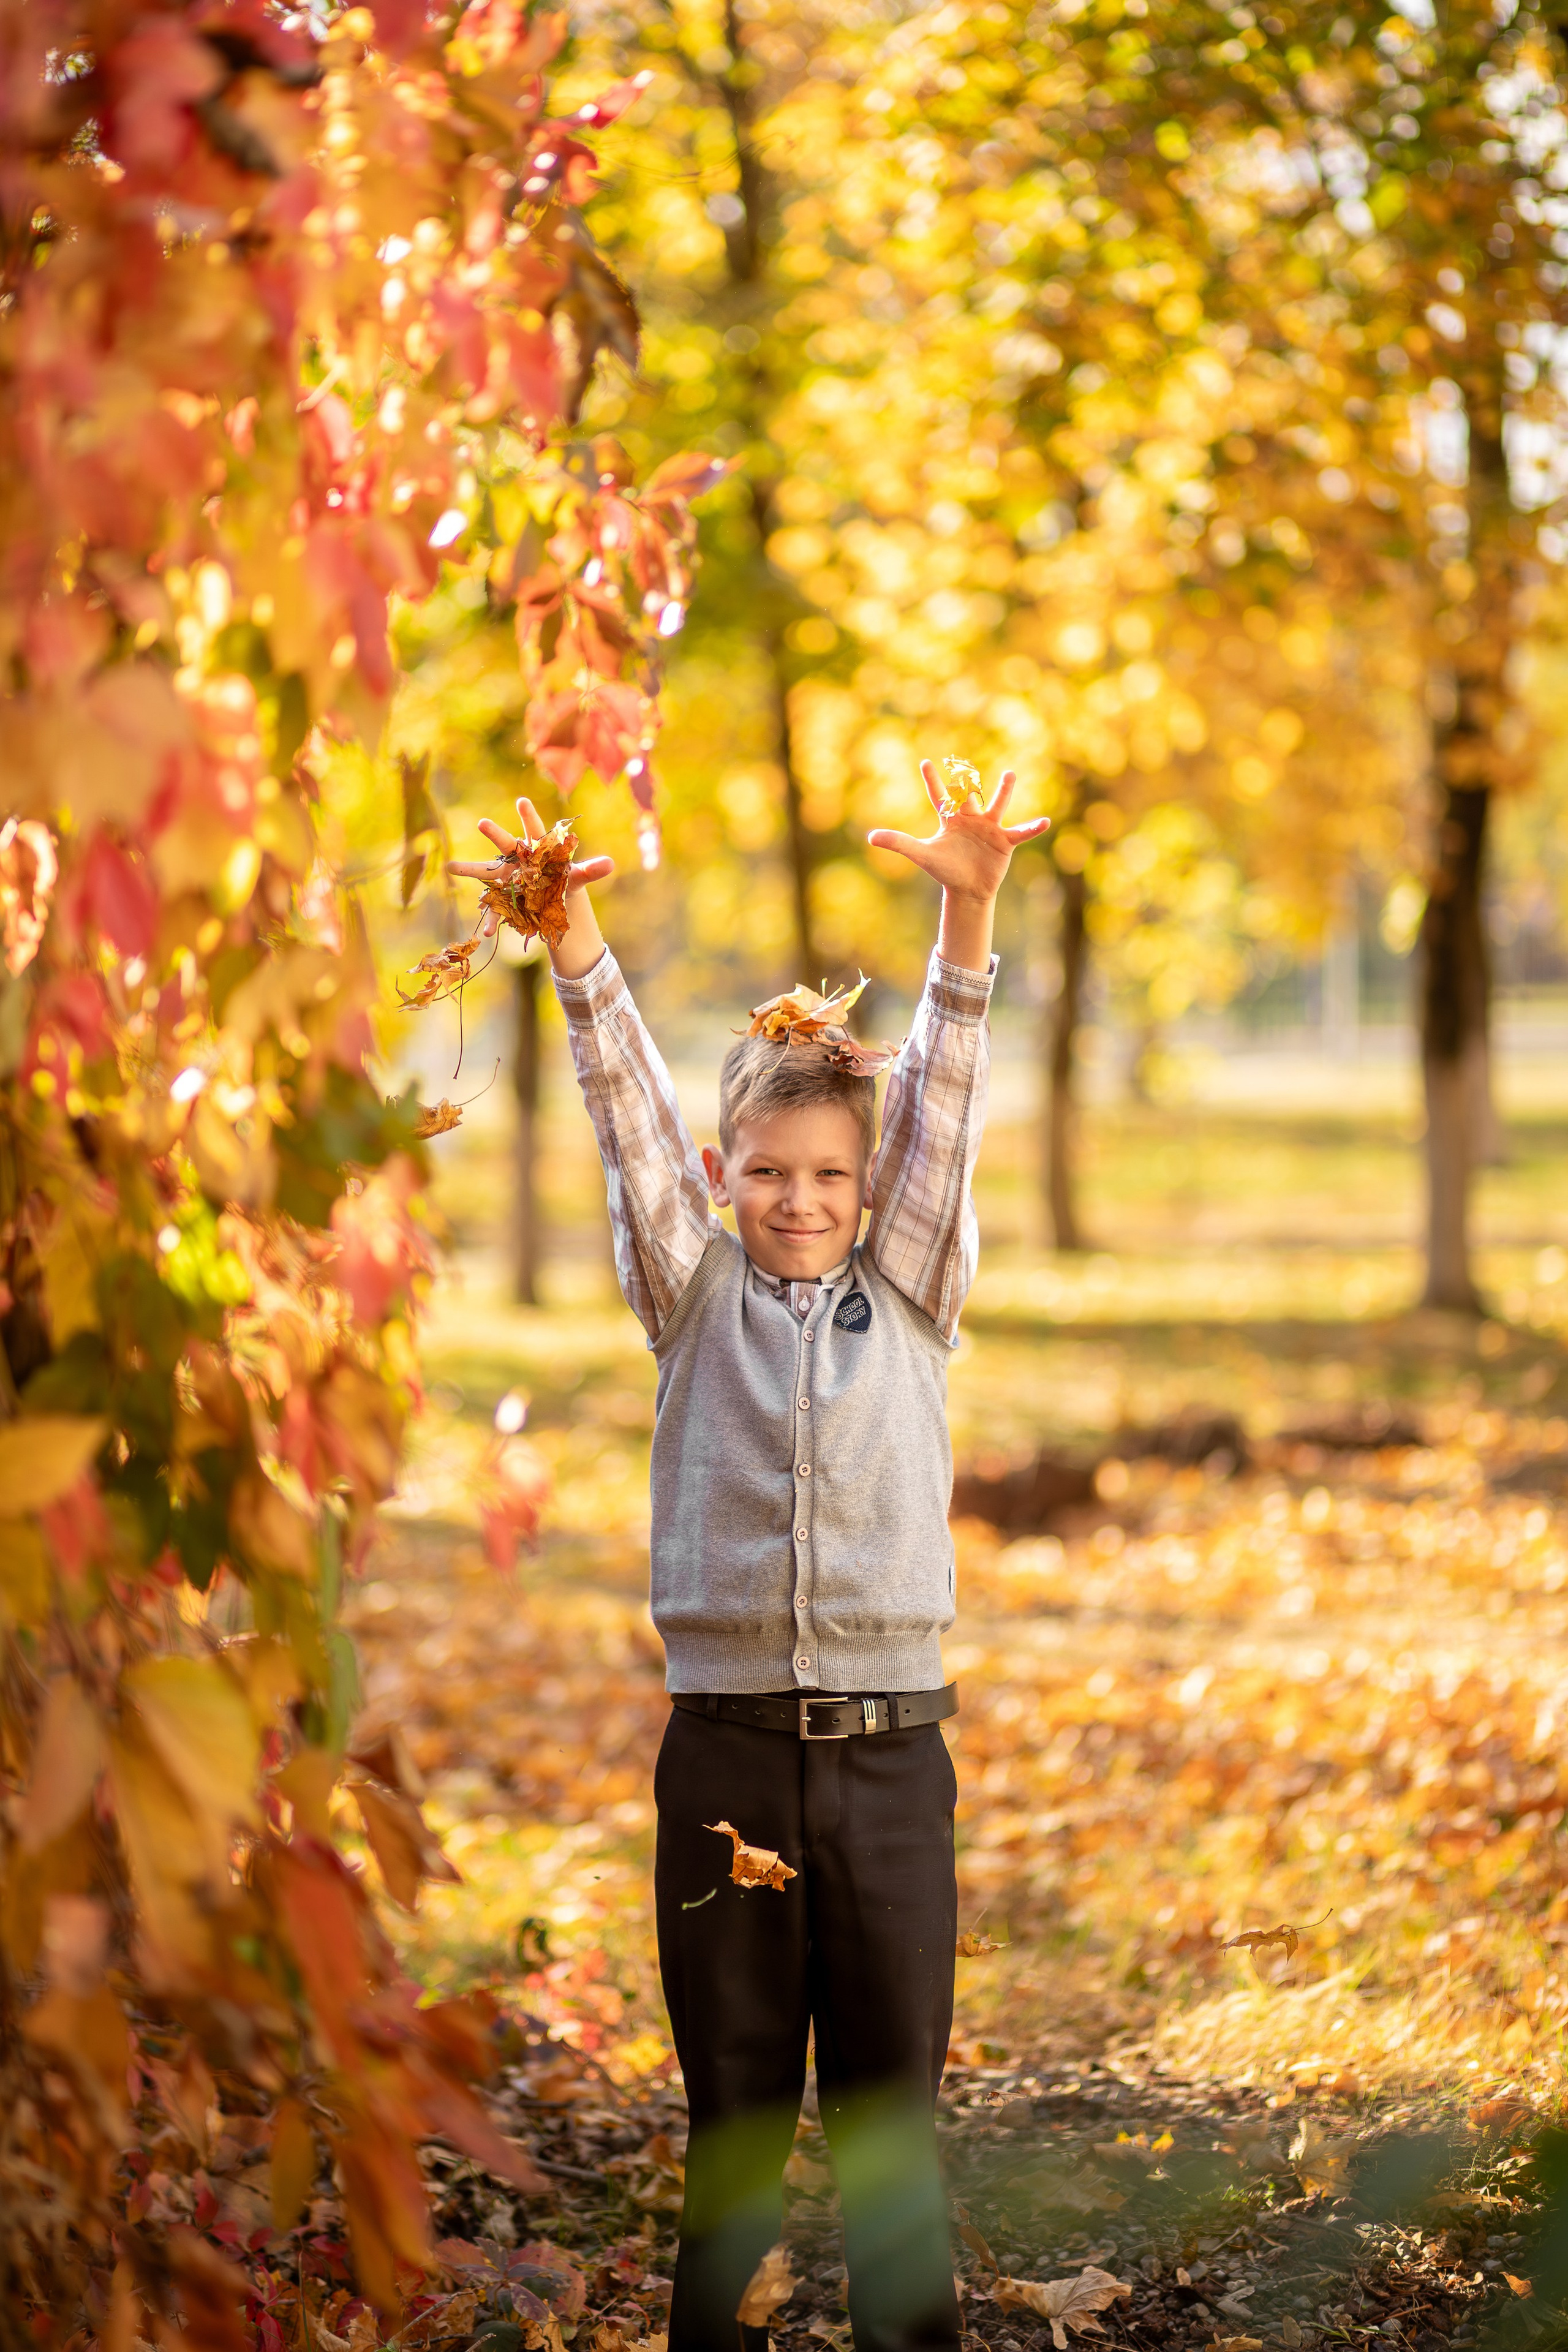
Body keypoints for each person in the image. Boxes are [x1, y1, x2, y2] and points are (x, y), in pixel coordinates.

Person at [451, 761, 1049, 2352]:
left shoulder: (914, 1289)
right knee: (732, 2134)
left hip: (892, 1767)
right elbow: (630, 1111)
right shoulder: (690, 1294)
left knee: (889, 2142)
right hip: (722, 1761)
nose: (800, 1201)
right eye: (768, 1174)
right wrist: (573, 940)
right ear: (727, 1182)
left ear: (872, 1190)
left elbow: (951, 1103)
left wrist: (967, 909)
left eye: (832, 1176)